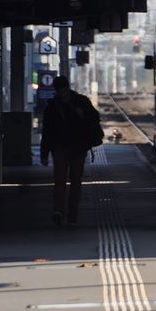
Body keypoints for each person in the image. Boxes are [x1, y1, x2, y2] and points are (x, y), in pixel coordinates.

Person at [40, 76, 99, 226]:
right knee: (61, 181)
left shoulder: (81, 102)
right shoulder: (53, 106)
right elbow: (46, 132)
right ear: (57, 91)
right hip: (61, 147)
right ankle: (59, 211)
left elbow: (94, 119)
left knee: (74, 181)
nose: (63, 93)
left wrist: (82, 115)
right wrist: (44, 154)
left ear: (68, 88)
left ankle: (72, 212)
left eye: (64, 90)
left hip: (78, 148)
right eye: (60, 91)